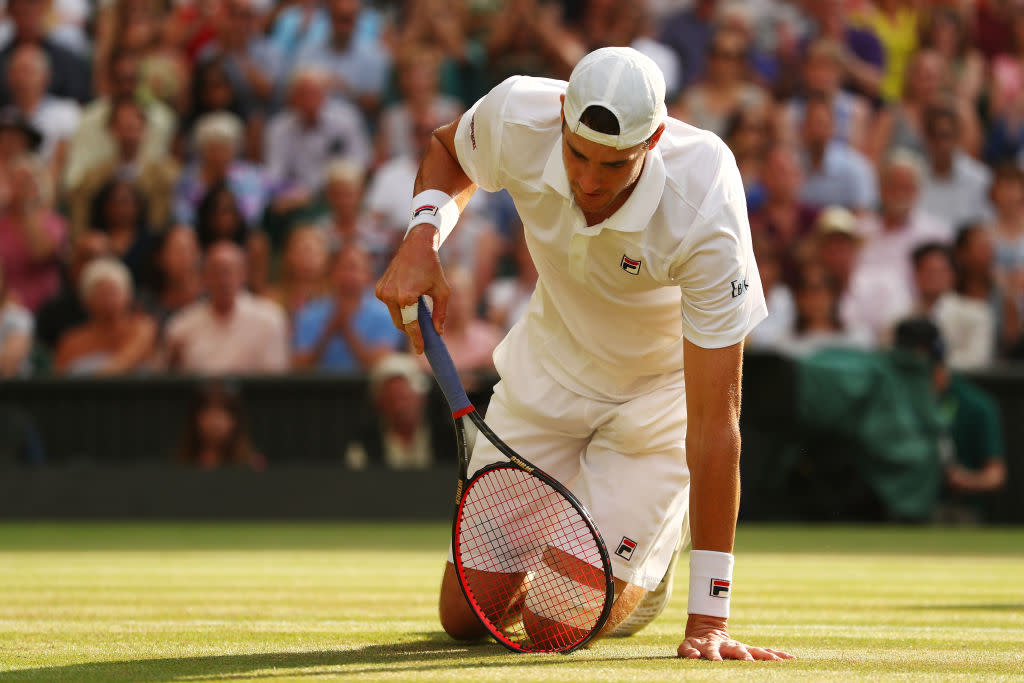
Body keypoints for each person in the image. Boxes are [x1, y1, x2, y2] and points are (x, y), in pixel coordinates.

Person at [375, 46, 791, 660]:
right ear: (562, 114)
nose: (590, 181)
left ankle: (647, 571)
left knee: (553, 625)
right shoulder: (518, 111)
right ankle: (593, 549)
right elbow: (448, 150)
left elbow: (715, 425)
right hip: (547, 375)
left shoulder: (705, 197)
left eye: (614, 164)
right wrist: (422, 235)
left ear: (652, 141)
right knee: (465, 618)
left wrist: (709, 618)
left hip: (654, 406)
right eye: (577, 153)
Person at [892, 317, 1007, 522]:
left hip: (959, 512)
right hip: (905, 510)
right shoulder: (895, 399)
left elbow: (995, 476)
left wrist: (965, 480)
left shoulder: (976, 406)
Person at [164, 241, 290, 374]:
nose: (223, 280)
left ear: (243, 274)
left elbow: (275, 381)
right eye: (216, 272)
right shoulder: (181, 326)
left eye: (229, 271)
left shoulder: (270, 320)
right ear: (205, 277)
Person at [54, 257, 156, 375]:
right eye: (102, 293)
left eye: (114, 292)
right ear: (86, 300)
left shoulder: (142, 328)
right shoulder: (70, 343)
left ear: (128, 296)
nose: (109, 299)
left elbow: (124, 362)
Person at [176, 380, 265, 471]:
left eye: (223, 410)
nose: (215, 420)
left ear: (236, 419)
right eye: (208, 409)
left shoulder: (253, 465)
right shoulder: (180, 463)